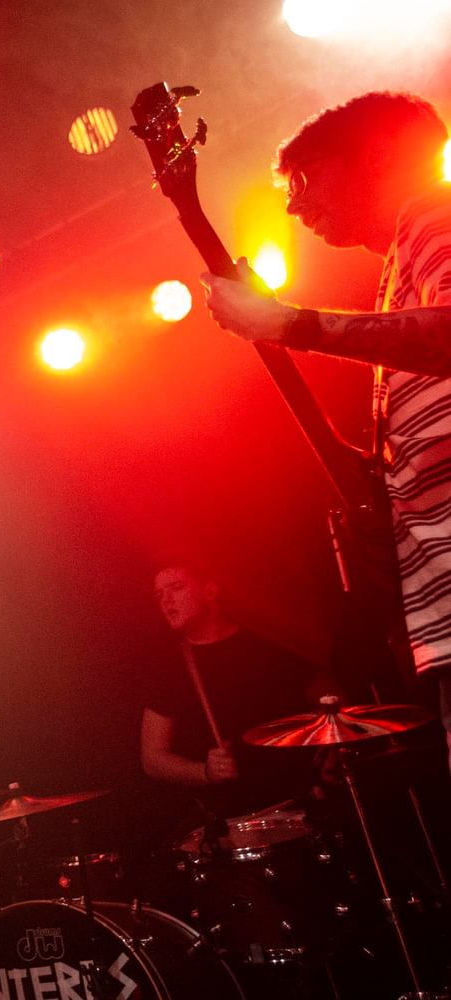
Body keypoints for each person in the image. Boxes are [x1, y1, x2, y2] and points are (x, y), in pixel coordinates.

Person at [199, 91, 451, 771]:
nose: (292, 204)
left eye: (305, 178)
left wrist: (289, 325)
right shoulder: (403, 255)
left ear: (375, 156)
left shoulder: (437, 213)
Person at [139, 558, 329, 821]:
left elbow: (334, 702)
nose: (166, 600)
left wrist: (331, 755)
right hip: (233, 818)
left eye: (176, 588)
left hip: (300, 802)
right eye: (159, 594)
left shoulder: (267, 644)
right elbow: (152, 757)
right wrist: (205, 772)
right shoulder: (169, 667)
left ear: (210, 591)